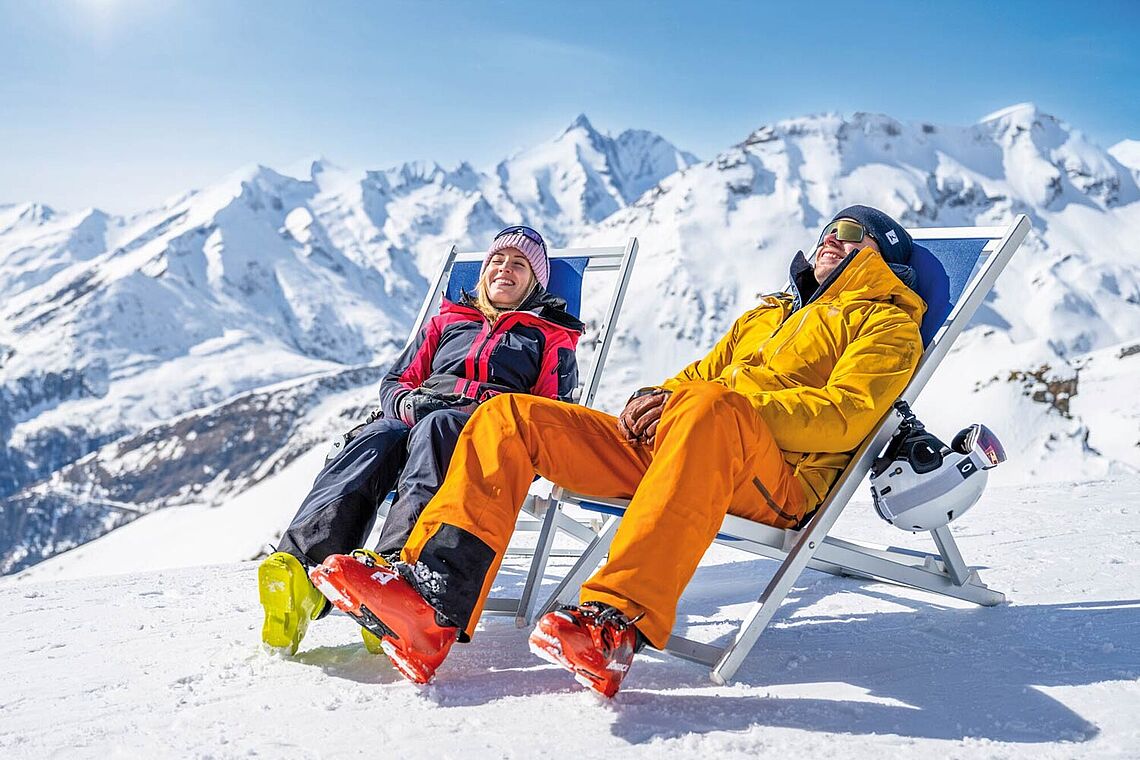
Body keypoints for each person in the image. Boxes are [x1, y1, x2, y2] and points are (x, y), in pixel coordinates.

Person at [311, 205, 927, 696]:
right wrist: (661, 395)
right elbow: (699, 376)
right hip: (683, 444)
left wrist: (728, 405)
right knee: (509, 416)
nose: (828, 237)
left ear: (883, 255)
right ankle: (431, 601)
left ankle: (613, 626)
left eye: (849, 232)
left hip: (774, 478)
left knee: (710, 407)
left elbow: (844, 420)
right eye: (825, 229)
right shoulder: (768, 314)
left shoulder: (887, 323)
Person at [258, 225, 583, 655]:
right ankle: (301, 571)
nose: (505, 268)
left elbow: (550, 414)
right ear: (484, 272)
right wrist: (409, 406)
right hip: (421, 417)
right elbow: (396, 382)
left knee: (439, 428)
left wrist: (472, 410)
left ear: (536, 281)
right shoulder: (449, 321)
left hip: (486, 437)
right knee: (376, 437)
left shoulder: (548, 337)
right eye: (497, 261)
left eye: (519, 264)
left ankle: (394, 573)